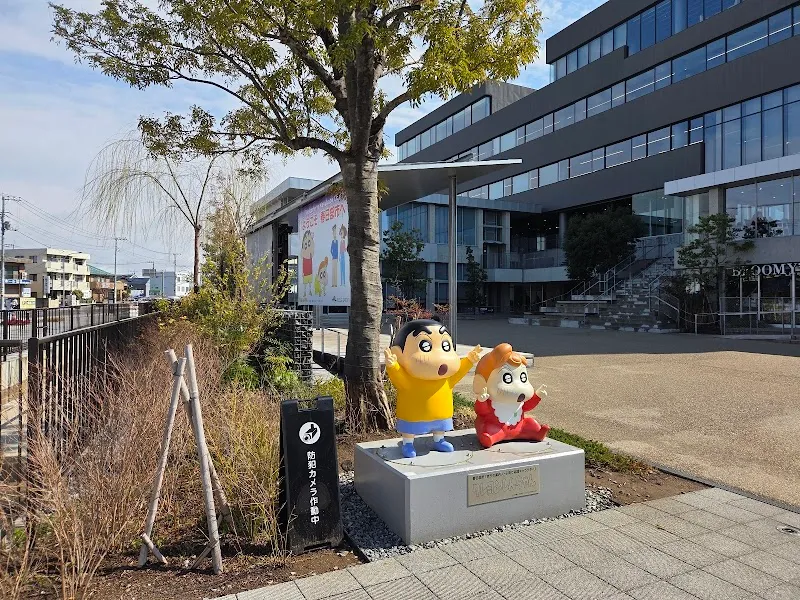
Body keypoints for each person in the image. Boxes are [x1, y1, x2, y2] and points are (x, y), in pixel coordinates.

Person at [384, 319, 481, 458]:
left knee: (439, 427)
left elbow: (459, 372)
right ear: (398, 353)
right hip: (413, 414)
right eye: (425, 346)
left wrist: (469, 360)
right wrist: (393, 366)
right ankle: (408, 443)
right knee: (410, 429)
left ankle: (439, 440)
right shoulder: (410, 381)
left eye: (445, 346)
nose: (440, 357)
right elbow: (398, 377)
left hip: (441, 414)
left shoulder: (447, 379)